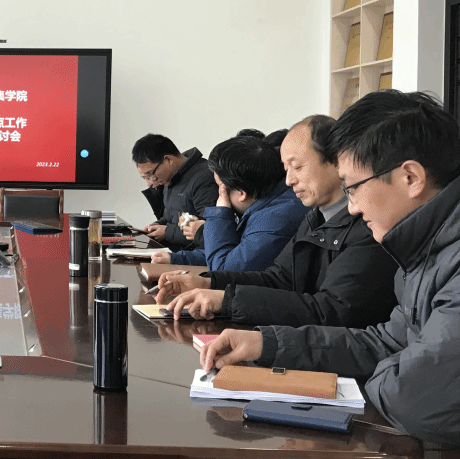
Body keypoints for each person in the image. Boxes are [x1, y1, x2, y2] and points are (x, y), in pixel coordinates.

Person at [201, 91, 460, 459]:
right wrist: (268, 344)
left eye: (353, 187)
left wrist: (399, 368)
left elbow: (418, 403)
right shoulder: (443, 236)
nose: (351, 207)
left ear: (410, 177)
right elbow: (389, 342)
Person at [156, 115, 398, 327]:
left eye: (297, 167)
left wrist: (227, 300)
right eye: (286, 169)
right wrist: (208, 283)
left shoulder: (368, 224)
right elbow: (279, 279)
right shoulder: (314, 216)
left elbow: (331, 311)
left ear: (337, 161)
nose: (290, 180)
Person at [153, 135, 309, 271]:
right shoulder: (268, 201)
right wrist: (176, 258)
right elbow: (233, 253)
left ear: (241, 193)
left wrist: (220, 213)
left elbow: (223, 269)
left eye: (220, 187)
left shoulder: (274, 219)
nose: (219, 194)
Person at [132, 134, 217, 251]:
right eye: (146, 178)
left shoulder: (204, 178)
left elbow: (210, 231)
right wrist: (156, 226)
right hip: (174, 250)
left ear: (168, 160)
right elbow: (169, 217)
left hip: (194, 256)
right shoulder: (170, 179)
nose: (150, 183)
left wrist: (166, 232)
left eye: (151, 174)